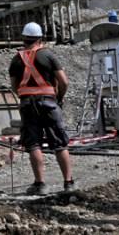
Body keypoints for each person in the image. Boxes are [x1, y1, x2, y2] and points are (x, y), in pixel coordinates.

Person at [8, 22, 73, 195]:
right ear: (40, 38)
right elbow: (64, 81)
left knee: (33, 144)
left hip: (27, 105)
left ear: (24, 39)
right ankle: (68, 183)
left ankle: (40, 184)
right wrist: (58, 97)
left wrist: (27, 95)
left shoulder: (16, 59)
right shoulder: (48, 55)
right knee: (60, 143)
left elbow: (15, 86)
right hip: (49, 103)